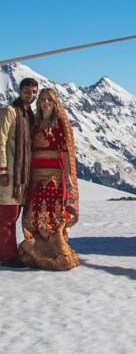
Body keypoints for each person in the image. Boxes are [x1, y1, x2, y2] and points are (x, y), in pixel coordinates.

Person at [17, 87, 80, 270]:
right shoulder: (35, 124)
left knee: (53, 215)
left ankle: (56, 250)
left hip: (53, 178)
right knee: (34, 215)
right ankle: (35, 251)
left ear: (54, 103)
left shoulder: (60, 125)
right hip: (34, 178)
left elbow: (66, 153)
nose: (45, 102)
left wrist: (68, 179)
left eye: (49, 100)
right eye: (42, 99)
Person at [0, 77, 38, 268]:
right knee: (7, 216)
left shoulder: (29, 115)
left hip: (22, 177)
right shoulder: (10, 111)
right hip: (9, 176)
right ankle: (7, 257)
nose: (30, 96)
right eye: (27, 91)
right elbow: (1, 139)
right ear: (19, 90)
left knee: (13, 216)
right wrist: (2, 169)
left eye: (33, 92)